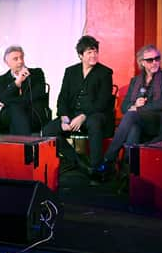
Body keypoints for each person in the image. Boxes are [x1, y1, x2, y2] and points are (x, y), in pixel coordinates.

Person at [43, 35, 114, 180]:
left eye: (95, 52)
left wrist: (83, 116)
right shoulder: (71, 71)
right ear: (80, 55)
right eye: (89, 52)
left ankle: (95, 168)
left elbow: (103, 102)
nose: (93, 55)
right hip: (72, 115)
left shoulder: (105, 73)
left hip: (95, 114)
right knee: (48, 130)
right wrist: (64, 117)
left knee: (94, 123)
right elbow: (63, 97)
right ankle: (77, 161)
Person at [97, 44, 162, 174]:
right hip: (141, 121)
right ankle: (128, 171)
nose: (155, 62)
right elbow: (124, 107)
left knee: (131, 115)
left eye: (157, 58)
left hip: (160, 121)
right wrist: (133, 105)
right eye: (150, 60)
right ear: (142, 63)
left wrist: (140, 108)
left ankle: (108, 159)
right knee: (133, 127)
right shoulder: (136, 81)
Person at [0, 45, 50, 135]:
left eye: (21, 57)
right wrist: (18, 82)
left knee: (14, 107)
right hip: (9, 115)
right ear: (6, 62)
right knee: (14, 110)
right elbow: (3, 99)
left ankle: (20, 145)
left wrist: (11, 102)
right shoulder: (1, 79)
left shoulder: (37, 73)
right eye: (15, 59)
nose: (20, 61)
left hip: (33, 113)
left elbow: (38, 94)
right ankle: (24, 143)